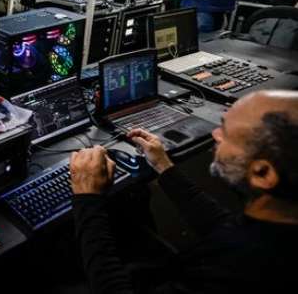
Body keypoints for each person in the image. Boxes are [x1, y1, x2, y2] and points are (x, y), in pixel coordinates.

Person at [69, 90, 298, 293]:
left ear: (262, 173)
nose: (215, 134)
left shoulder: (239, 270)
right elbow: (226, 226)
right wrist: (163, 166)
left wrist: (87, 198)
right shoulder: (274, 222)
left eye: (226, 131)